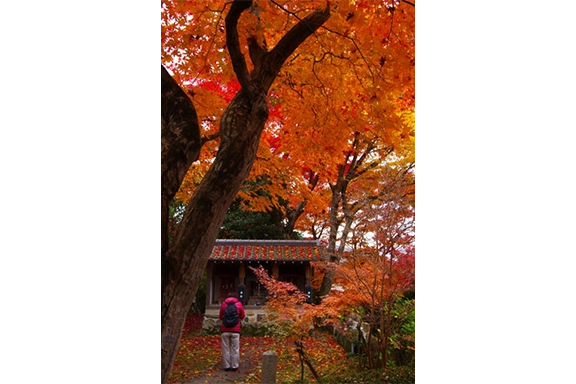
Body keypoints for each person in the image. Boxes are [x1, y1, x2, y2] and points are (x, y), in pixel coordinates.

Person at [219, 291, 246, 372]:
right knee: (235, 348)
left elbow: (220, 316)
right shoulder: (239, 304)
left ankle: (226, 366)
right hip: (235, 330)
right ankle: (234, 365)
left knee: (225, 348)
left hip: (225, 329)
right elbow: (242, 316)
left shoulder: (224, 304)